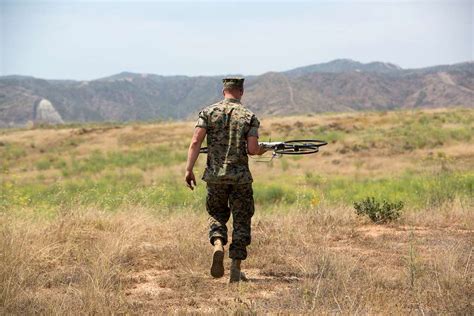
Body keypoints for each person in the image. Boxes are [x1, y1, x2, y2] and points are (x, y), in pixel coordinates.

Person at [184, 77, 267, 283]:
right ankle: (235, 270)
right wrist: (262, 149)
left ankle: (218, 243)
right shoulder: (249, 116)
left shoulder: (208, 113)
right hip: (240, 179)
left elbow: (195, 141)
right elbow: (252, 149)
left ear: (224, 92)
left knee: (217, 213)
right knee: (241, 219)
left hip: (215, 176)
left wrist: (189, 169)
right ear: (241, 91)